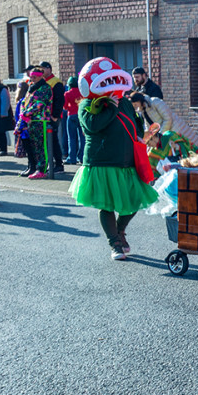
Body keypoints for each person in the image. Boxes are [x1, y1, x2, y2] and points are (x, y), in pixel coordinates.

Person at [70, 57, 158, 260]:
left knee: (135, 201)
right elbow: (92, 126)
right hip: (102, 163)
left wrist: (144, 135)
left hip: (127, 162)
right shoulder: (87, 104)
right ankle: (115, 244)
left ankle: (119, 231)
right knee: (107, 205)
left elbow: (136, 127)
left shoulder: (126, 103)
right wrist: (109, 106)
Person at [129, 92, 198, 153]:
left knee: (190, 149)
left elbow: (168, 119)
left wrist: (161, 134)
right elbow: (150, 126)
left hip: (176, 130)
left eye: (136, 104)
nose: (136, 107)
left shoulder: (155, 102)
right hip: (167, 134)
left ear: (140, 100)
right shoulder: (143, 110)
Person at [18, 67, 53, 179]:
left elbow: (40, 104)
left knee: (41, 146)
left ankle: (42, 169)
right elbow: (24, 101)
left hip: (40, 120)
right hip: (31, 121)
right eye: (31, 77)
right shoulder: (31, 88)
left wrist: (26, 113)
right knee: (33, 146)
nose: (32, 79)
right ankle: (35, 168)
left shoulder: (45, 88)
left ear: (41, 76)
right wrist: (23, 113)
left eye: (34, 77)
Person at [38, 61, 66, 173]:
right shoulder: (42, 82)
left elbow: (59, 100)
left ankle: (59, 163)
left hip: (52, 116)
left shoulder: (55, 82)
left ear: (49, 69)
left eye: (43, 69)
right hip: (43, 116)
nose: (41, 71)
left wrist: (55, 115)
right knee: (47, 141)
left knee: (53, 140)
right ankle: (51, 163)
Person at [63, 76, 85, 164]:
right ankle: (82, 157)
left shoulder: (67, 93)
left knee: (71, 138)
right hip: (81, 116)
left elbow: (64, 106)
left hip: (71, 116)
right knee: (82, 138)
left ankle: (71, 158)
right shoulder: (82, 93)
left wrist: (69, 108)